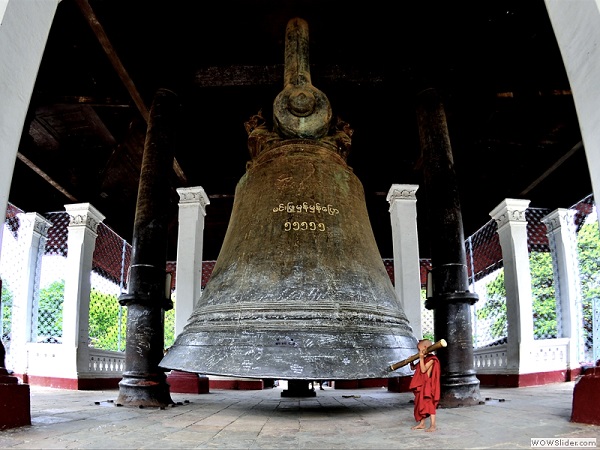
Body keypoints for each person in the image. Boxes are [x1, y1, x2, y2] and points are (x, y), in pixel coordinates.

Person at [408, 339, 440, 432]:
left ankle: (433, 425)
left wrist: (421, 358)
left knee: (429, 405)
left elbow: (423, 370)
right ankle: (422, 424)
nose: (418, 352)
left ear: (425, 348)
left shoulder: (432, 359)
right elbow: (414, 368)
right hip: (421, 385)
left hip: (427, 385)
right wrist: (411, 362)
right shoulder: (424, 358)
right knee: (420, 403)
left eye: (419, 349)